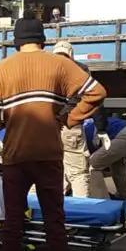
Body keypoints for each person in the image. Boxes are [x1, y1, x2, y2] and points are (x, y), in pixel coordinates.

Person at [0, 17, 107, 251]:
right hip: (50, 155)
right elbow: (97, 93)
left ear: (16, 41)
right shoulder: (59, 64)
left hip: (15, 157)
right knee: (55, 221)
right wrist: (68, 118)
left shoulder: (3, 67)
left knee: (13, 221)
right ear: (42, 39)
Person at [52, 41, 90, 196]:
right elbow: (94, 98)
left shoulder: (47, 68)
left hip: (50, 126)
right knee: (78, 174)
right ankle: (82, 213)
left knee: (54, 170)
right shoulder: (80, 69)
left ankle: (48, 212)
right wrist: (101, 128)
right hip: (71, 126)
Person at [84, 110, 126, 199]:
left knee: (93, 164)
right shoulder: (84, 125)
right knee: (117, 165)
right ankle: (125, 197)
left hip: (123, 136)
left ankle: (102, 200)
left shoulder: (78, 135)